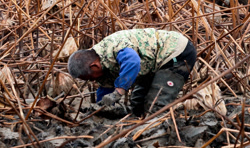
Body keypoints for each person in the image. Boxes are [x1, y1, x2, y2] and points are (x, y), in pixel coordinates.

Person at [66, 29, 197, 117]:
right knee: (137, 104)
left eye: (90, 78)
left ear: (94, 66)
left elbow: (133, 62)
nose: (92, 81)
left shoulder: (114, 46)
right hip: (151, 64)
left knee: (156, 106)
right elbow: (105, 90)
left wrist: (119, 91)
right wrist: (100, 109)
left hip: (176, 53)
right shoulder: (100, 67)